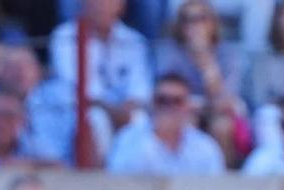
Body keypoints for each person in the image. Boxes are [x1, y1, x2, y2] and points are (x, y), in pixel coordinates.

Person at [48, 0, 154, 162]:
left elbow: (140, 87)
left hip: (124, 109)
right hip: (83, 108)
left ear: (121, 5)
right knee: (96, 119)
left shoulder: (134, 39)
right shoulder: (65, 36)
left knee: (140, 119)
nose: (101, 5)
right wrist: (113, 111)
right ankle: (102, 176)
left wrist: (128, 107)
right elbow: (77, 85)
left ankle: (130, 173)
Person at [154, 1, 248, 164]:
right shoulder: (170, 52)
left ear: (212, 23)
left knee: (222, 126)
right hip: (181, 111)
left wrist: (205, 61)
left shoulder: (229, 54)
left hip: (216, 112)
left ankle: (225, 182)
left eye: (201, 19)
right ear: (180, 25)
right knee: (187, 123)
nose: (194, 25)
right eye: (188, 19)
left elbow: (225, 101)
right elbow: (167, 92)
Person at [106, 71, 225, 173]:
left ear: (188, 106)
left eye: (177, 101)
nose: (169, 107)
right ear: (152, 103)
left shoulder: (205, 147)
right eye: (162, 100)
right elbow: (118, 188)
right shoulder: (129, 141)